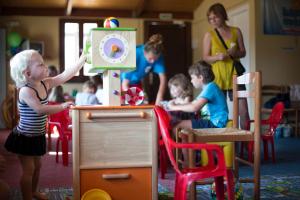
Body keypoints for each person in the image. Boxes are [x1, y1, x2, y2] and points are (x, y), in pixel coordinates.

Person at [4, 49, 86, 200]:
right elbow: (40, 110)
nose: (46, 66)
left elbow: (64, 76)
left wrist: (82, 60)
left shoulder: (44, 83)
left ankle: (34, 191)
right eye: (41, 65)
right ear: (27, 74)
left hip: (37, 135)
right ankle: (27, 197)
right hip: (24, 137)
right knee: (29, 170)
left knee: (38, 167)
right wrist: (61, 106)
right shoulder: (26, 91)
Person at [167, 61, 228, 166]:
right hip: (213, 121)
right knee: (183, 131)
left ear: (200, 77)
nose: (191, 80)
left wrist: (174, 106)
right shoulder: (208, 88)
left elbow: (194, 107)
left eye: (192, 77)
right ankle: (189, 163)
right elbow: (195, 106)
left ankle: (186, 163)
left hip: (215, 123)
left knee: (177, 125)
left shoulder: (210, 87)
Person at [202, 2, 250, 130]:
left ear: (223, 15)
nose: (213, 21)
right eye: (210, 18)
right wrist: (217, 57)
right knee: (220, 112)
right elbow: (205, 57)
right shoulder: (209, 35)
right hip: (218, 77)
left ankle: (247, 146)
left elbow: (243, 52)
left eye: (215, 17)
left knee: (244, 111)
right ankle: (223, 142)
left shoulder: (236, 31)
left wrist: (235, 53)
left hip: (235, 74)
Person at [121, 34, 167, 105]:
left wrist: (159, 98)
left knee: (142, 103)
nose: (153, 62)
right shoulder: (135, 54)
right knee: (123, 103)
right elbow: (125, 84)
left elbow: (163, 80)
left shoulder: (158, 55)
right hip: (120, 82)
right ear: (144, 53)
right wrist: (133, 100)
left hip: (136, 82)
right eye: (150, 59)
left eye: (155, 59)